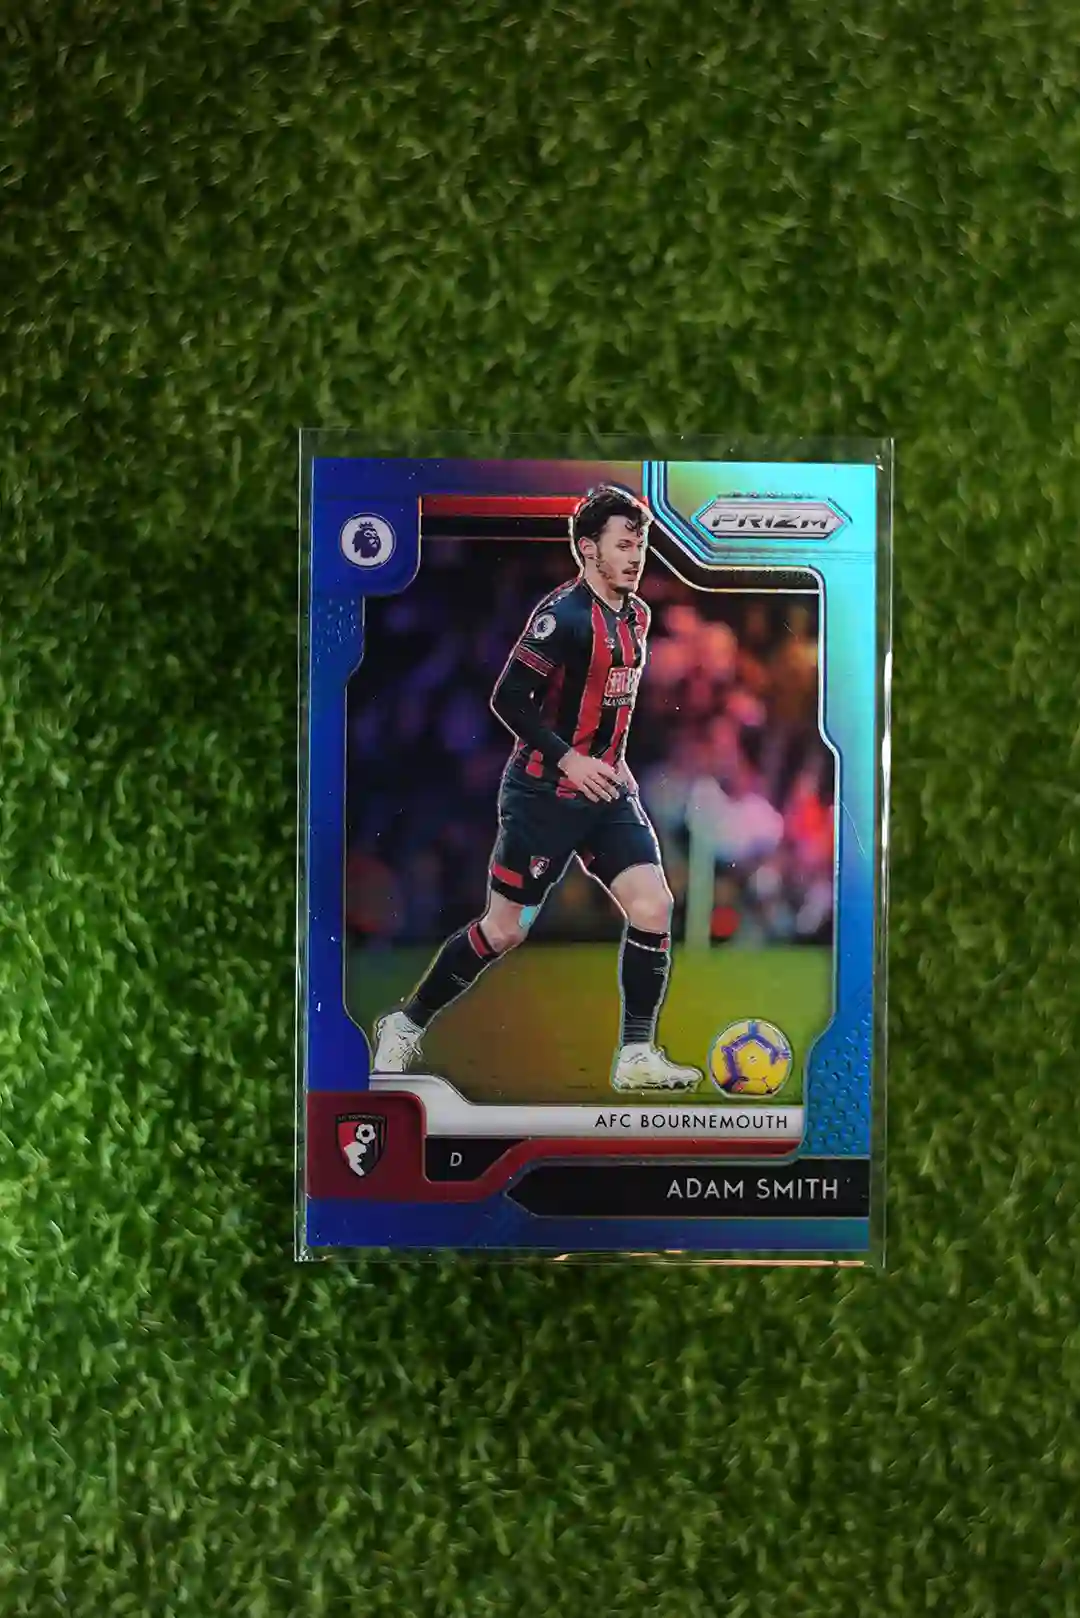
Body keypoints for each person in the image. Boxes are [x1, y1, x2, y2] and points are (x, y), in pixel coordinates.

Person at [372, 486, 701, 1092]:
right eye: (623, 545)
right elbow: (508, 698)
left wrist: (614, 761)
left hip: (605, 793)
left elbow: (609, 703)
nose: (636, 556)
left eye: (641, 544)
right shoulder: (563, 617)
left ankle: (636, 1055)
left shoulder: (637, 616)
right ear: (588, 549)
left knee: (653, 905)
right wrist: (570, 759)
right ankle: (405, 1023)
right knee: (504, 930)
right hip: (542, 796)